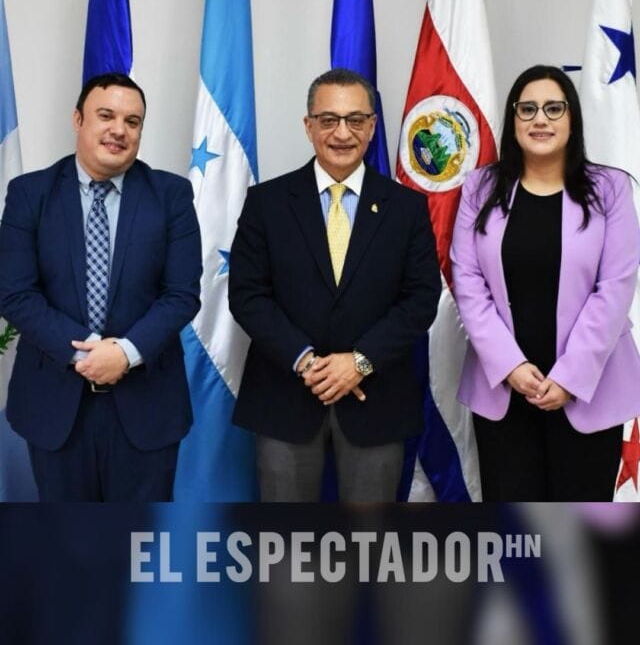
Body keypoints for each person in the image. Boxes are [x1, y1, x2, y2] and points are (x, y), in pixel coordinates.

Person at [229, 67, 441, 502]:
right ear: (309, 126)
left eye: (355, 120)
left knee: (369, 539)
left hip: (376, 402)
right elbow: (248, 295)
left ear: (372, 126)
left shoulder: (406, 208)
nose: (342, 133)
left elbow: (420, 299)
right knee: (288, 541)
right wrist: (306, 362)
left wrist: (360, 362)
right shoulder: (267, 202)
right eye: (329, 120)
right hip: (285, 399)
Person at [0, 73, 202, 501]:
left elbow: (181, 294)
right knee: (67, 537)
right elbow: (15, 292)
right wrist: (88, 352)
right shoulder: (29, 193)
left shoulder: (172, 195)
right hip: (55, 405)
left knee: (139, 537)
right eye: (106, 116)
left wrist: (125, 353)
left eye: (132, 121)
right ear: (78, 120)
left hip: (147, 406)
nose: (119, 130)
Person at [451, 64, 640, 501]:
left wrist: (571, 377)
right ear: (513, 119)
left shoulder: (610, 188)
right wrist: (510, 367)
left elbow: (615, 287)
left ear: (572, 119)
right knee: (515, 530)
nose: (541, 119)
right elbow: (467, 280)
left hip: (589, 390)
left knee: (579, 532)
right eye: (528, 109)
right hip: (504, 392)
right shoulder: (479, 188)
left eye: (554, 108)